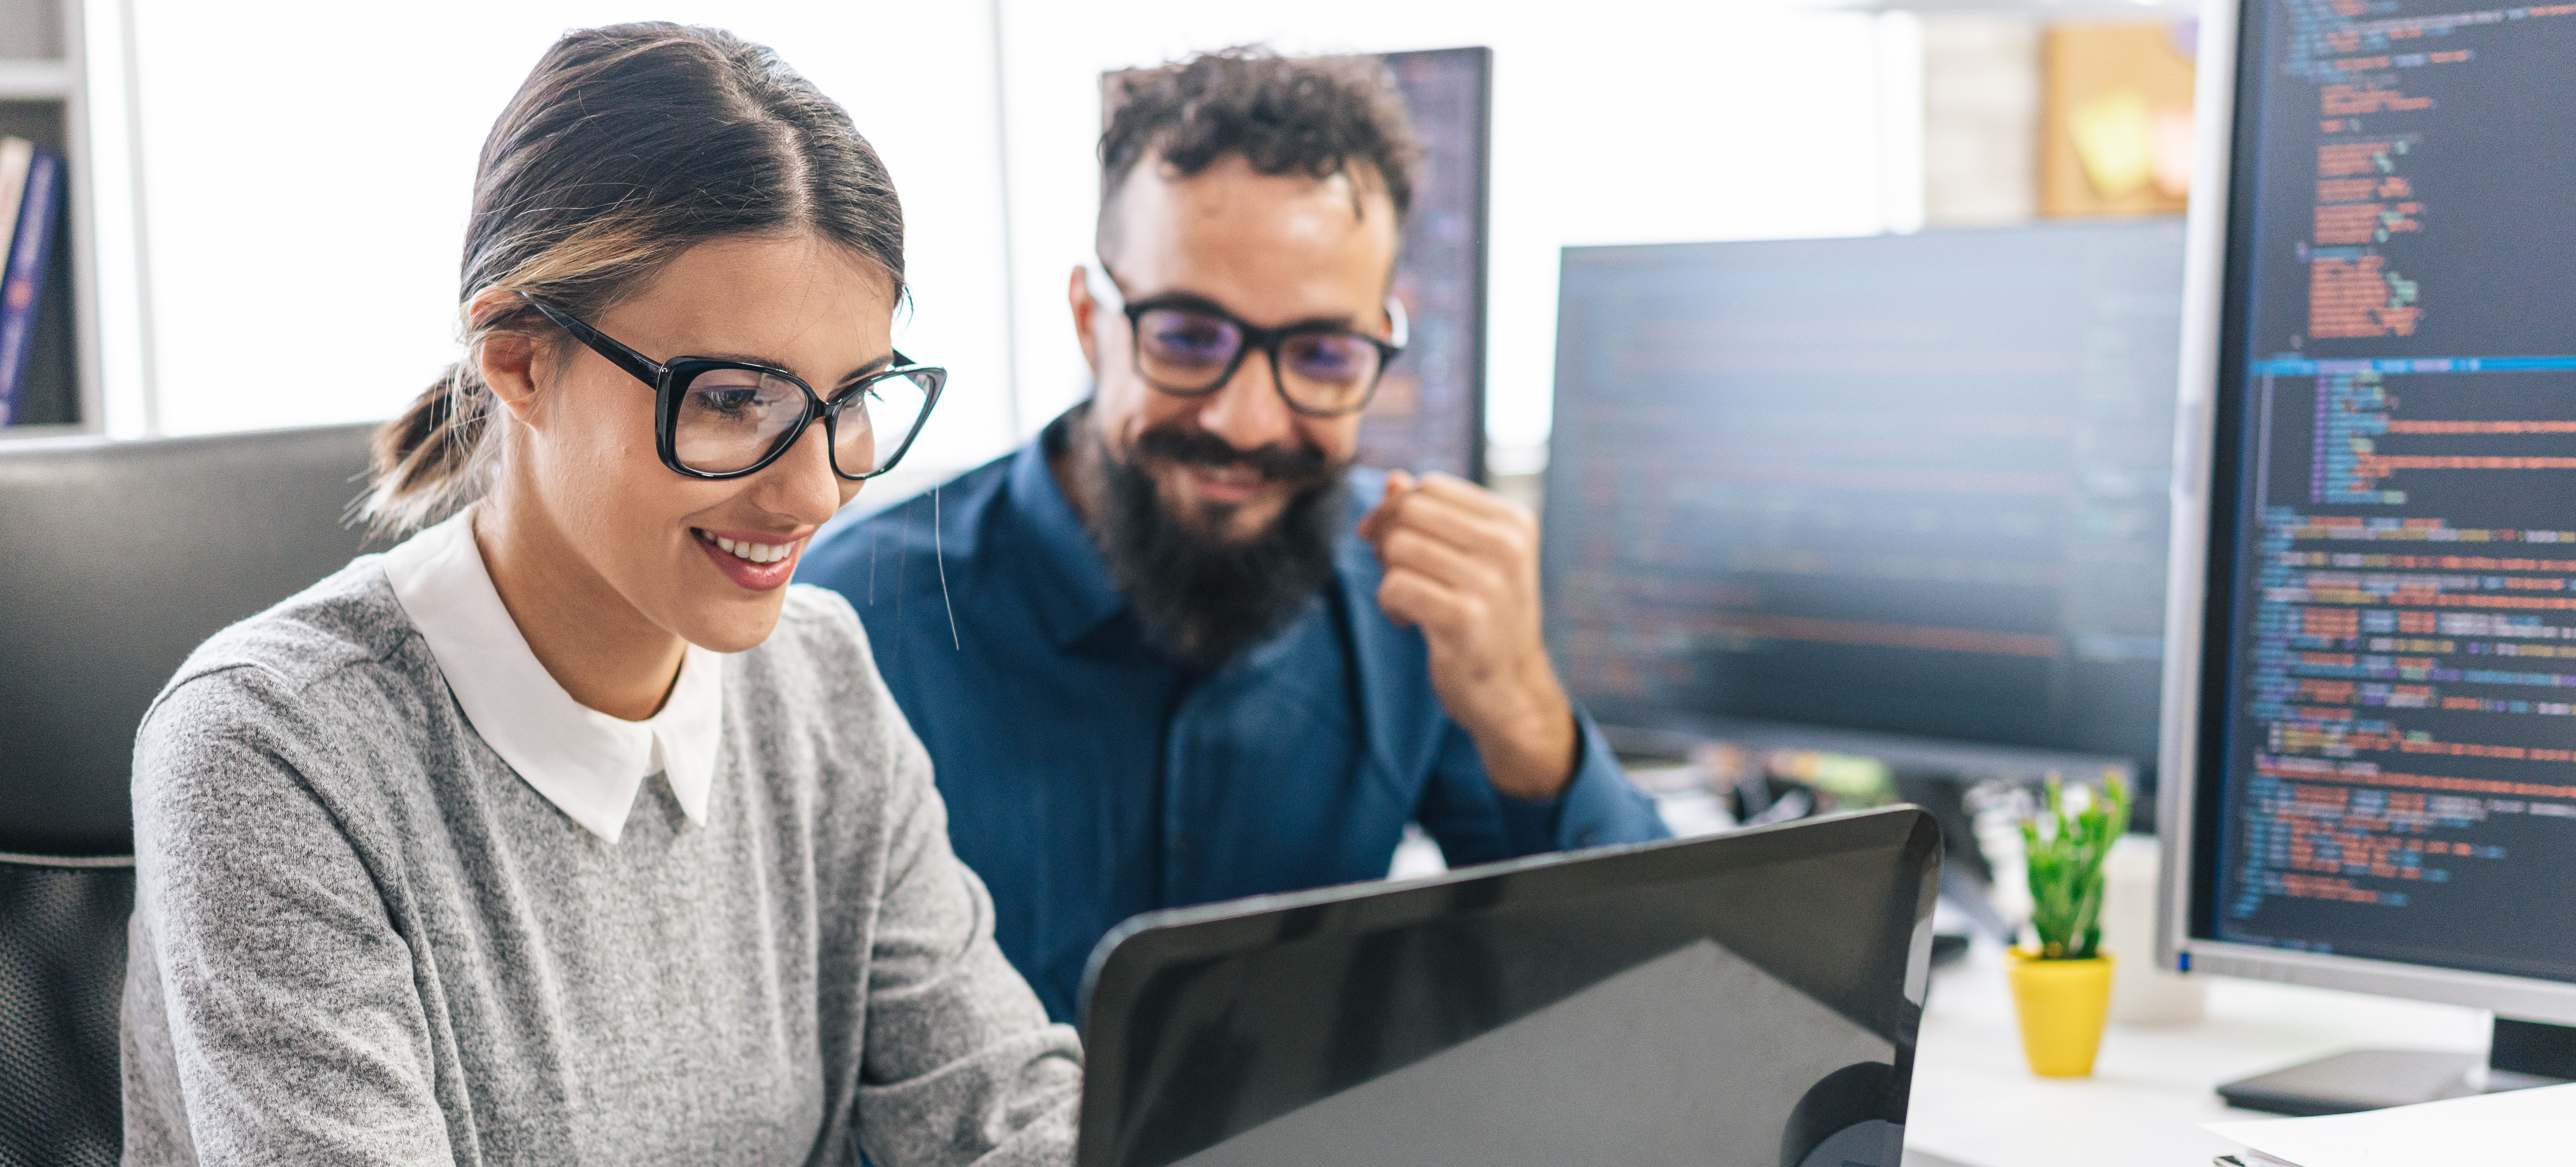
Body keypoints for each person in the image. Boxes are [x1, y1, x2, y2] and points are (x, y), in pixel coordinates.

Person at [119, 24, 1077, 1166]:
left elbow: (1000, 1113)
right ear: (521, 359)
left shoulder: (817, 678)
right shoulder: (269, 749)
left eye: (856, 397)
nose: (815, 490)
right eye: (733, 400)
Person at [796, 48, 1669, 1024]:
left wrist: (1528, 720)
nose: (1249, 422)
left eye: (1323, 353)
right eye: (1187, 337)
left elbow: (1649, 982)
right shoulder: (856, 621)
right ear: (1092, 321)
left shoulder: (1408, 600)